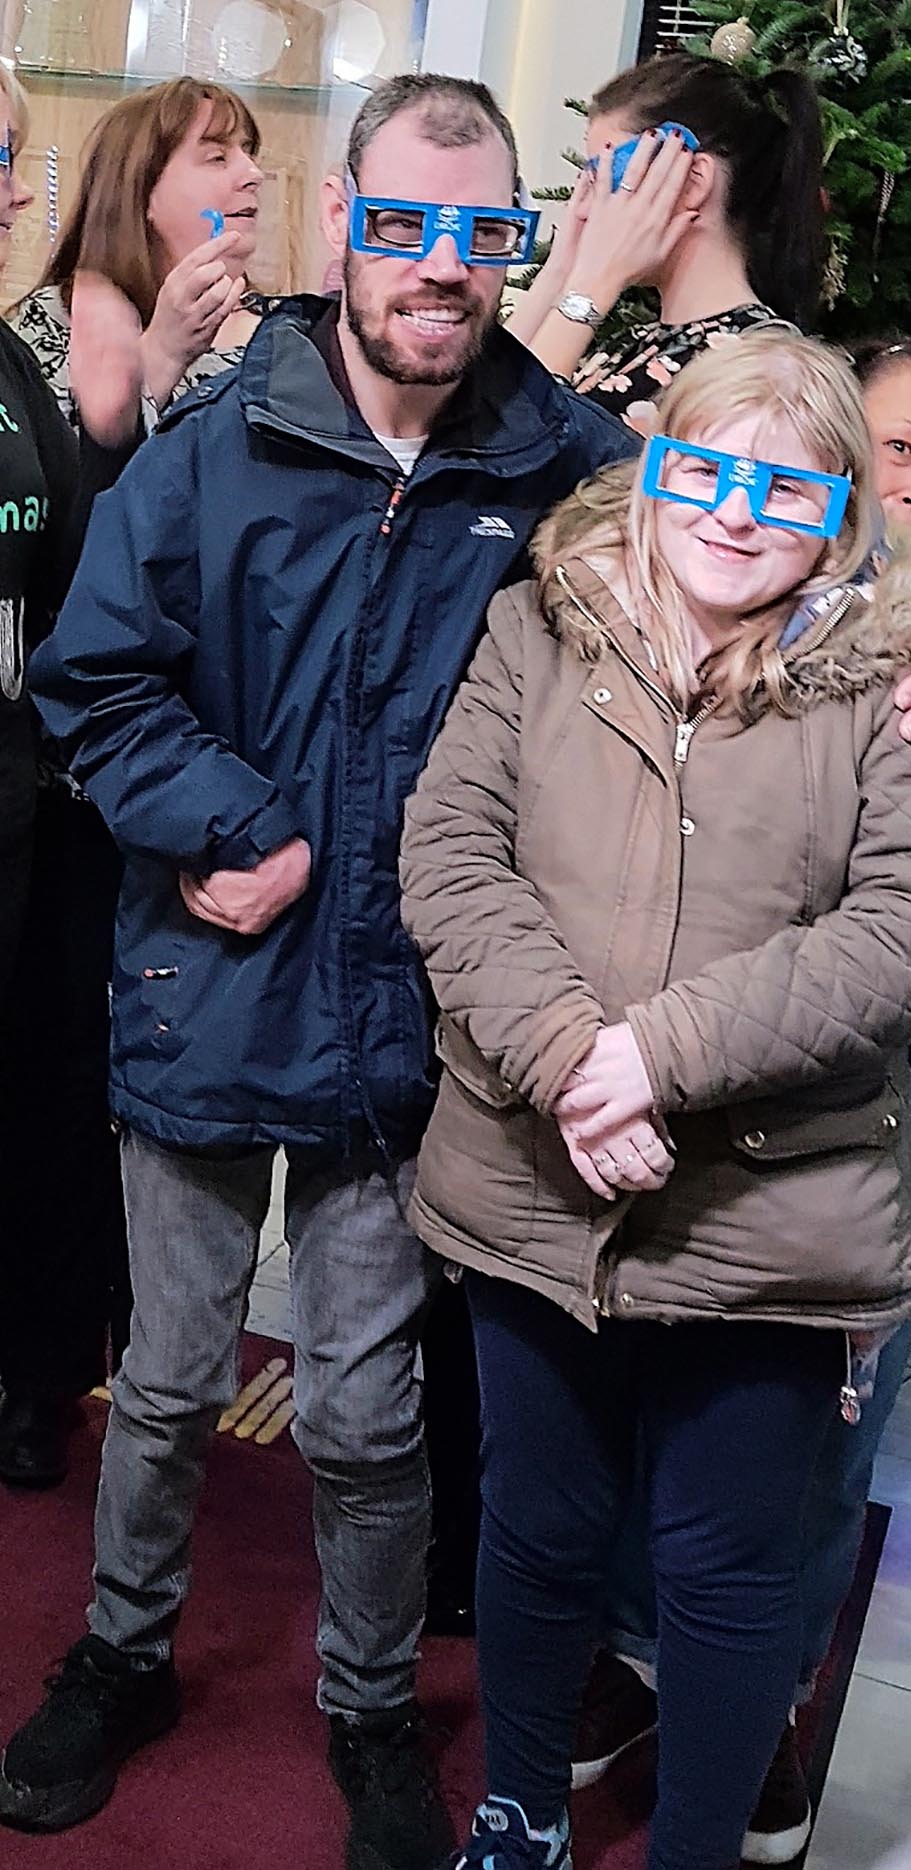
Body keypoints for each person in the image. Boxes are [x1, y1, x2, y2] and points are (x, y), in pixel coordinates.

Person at [0, 72, 634, 1865]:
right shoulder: (218, 442)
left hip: (411, 1015)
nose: (440, 264)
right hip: (208, 974)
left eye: (481, 231)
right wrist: (222, 820)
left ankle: (366, 1703)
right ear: (344, 226)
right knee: (168, 1380)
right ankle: (123, 1652)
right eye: (404, 223)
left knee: (363, 1413)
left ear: (512, 246)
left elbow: (762, 567)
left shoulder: (570, 471)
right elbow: (93, 677)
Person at [399, 327, 911, 1870]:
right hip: (535, 1173)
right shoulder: (540, 619)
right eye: (704, 471)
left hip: (773, 1209)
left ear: (842, 512)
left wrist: (652, 1058)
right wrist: (566, 1056)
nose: (734, 512)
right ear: (652, 470)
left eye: (787, 490)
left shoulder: (909, 670)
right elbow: (450, 852)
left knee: (726, 1569)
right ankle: (520, 1811)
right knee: (535, 1527)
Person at [568, 331, 911, 1867]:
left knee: (821, 1437)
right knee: (646, 1385)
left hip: (870, 1123)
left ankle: (764, 1698)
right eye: (899, 450)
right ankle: (631, 1651)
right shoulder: (702, 586)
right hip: (660, 1091)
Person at [0, 76, 266, 1489]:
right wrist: (148, 381)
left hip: (203, 772)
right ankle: (42, 1368)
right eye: (216, 153)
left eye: (252, 154)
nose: (246, 177)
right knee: (50, 1080)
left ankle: (116, 1348)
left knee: (140, 1085)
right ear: (137, 182)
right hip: (66, 781)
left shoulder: (269, 342)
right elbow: (72, 572)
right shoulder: (45, 335)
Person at [0, 66, 132, 1477]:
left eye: (7, 155)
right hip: (41, 803)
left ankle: (45, 1372)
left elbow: (60, 600)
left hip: (51, 811)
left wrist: (110, 431)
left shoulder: (16, 368)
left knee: (50, 1109)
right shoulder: (36, 339)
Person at [507, 50, 825, 427]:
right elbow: (479, 425)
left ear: (693, 183)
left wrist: (594, 283)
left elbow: (519, 441)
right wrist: (562, 271)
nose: (589, 203)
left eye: (607, 174)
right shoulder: (632, 347)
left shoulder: (758, 371)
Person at [9, 74, 266, 430]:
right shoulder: (49, 327)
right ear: (141, 190)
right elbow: (50, 464)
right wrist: (159, 356)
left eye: (249, 152)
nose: (254, 173)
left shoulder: (286, 339)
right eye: (217, 157)